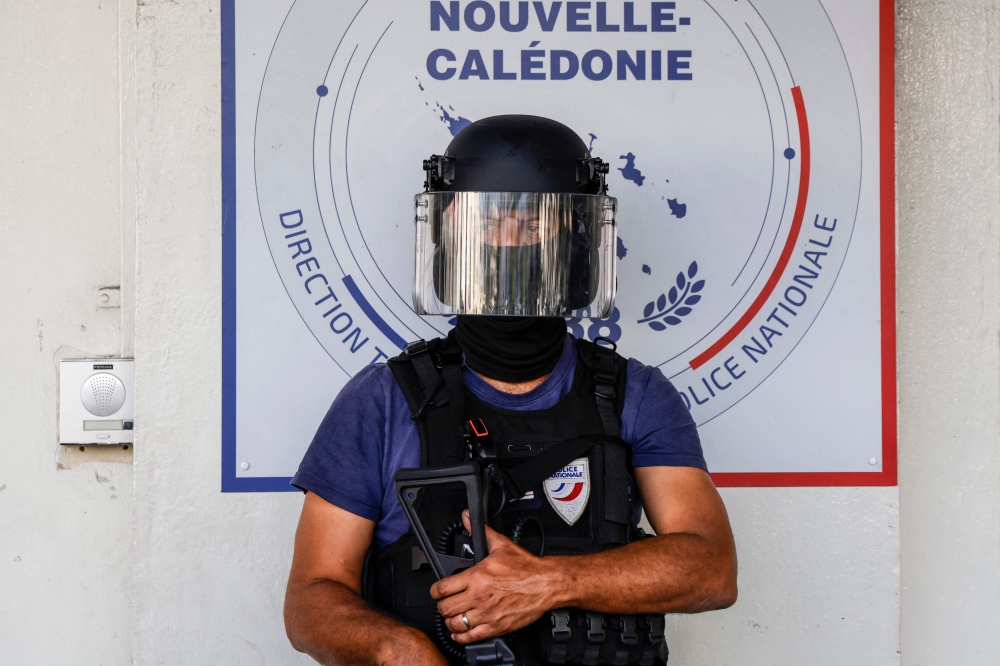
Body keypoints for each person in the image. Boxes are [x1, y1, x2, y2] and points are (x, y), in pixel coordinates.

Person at [283, 115, 737, 666]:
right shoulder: (383, 400)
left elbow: (711, 569)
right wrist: (396, 648)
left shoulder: (633, 395)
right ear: (451, 236)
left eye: (534, 226)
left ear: (577, 243)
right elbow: (311, 598)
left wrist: (548, 583)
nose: (510, 244)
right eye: (489, 222)